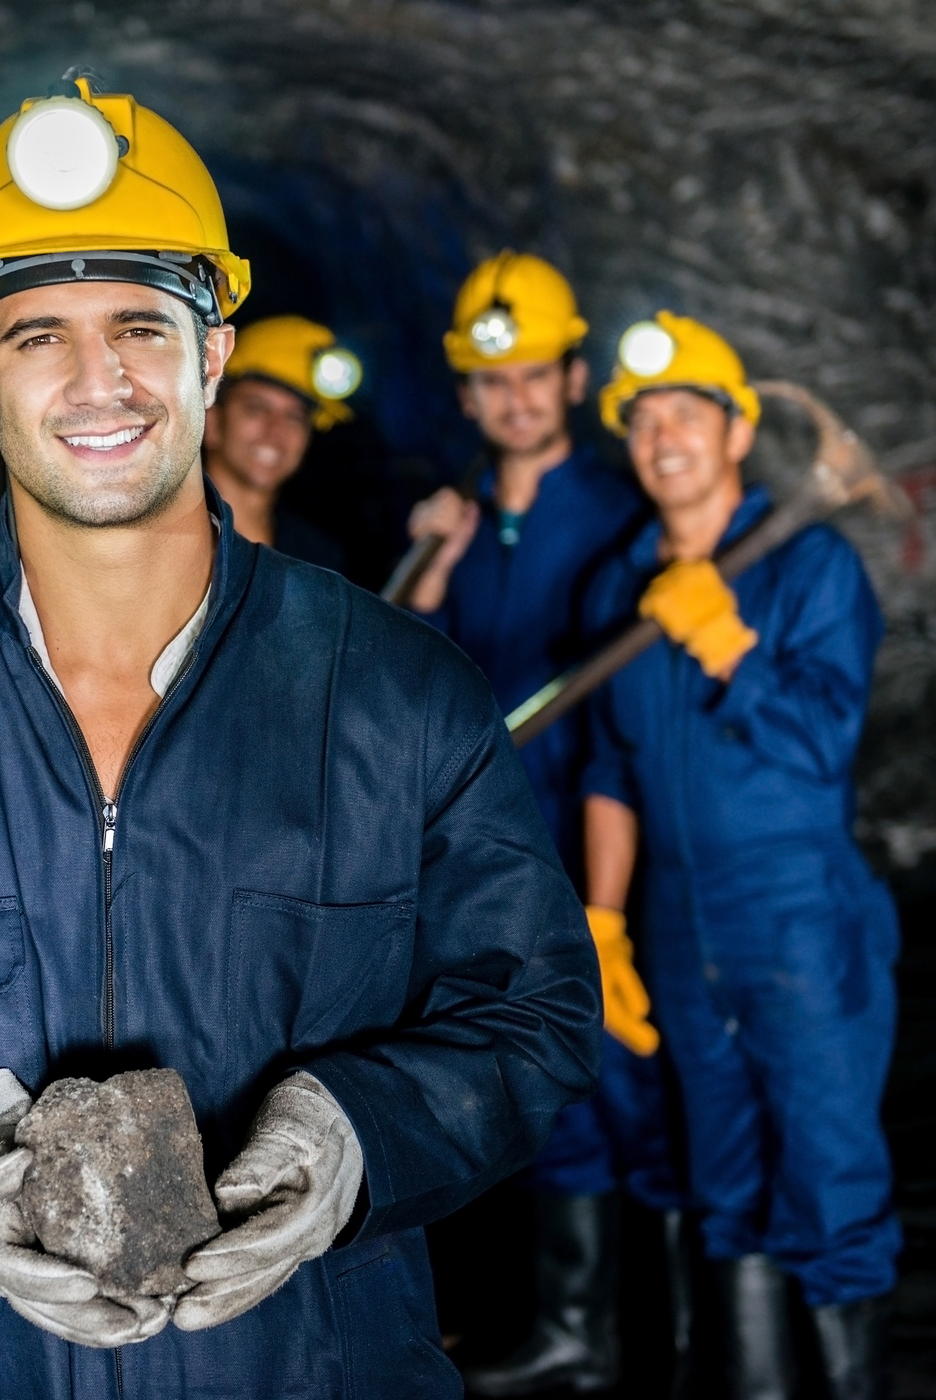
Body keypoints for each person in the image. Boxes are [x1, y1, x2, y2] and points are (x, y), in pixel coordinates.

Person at [0, 72, 602, 1399]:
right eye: (36, 336)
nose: (97, 381)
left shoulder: (400, 697)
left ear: (215, 348)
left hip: (319, 1366)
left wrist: (358, 1134)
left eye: (138, 323)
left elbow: (532, 1013)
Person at [582, 313, 899, 1400]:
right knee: (723, 1185)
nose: (660, 435)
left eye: (685, 411)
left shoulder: (808, 564)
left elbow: (822, 740)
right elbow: (611, 770)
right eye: (641, 418)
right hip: (673, 920)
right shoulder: (616, 581)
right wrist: (604, 918)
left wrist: (726, 642)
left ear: (734, 429)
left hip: (794, 909)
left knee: (828, 1177)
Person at [405, 255, 681, 1398]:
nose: (515, 396)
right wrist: (430, 564)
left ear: (572, 378)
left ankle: (663, 1331)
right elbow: (404, 679)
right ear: (465, 394)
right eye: (490, 378)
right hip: (488, 849)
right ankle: (573, 1330)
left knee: (636, 1077)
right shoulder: (452, 522)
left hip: (602, 832)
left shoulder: (623, 518)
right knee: (541, 1065)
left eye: (535, 373)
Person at [202, 314, 359, 570]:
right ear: (211, 422)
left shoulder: (316, 562)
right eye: (256, 408)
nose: (276, 431)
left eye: (294, 418)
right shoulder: (153, 537)